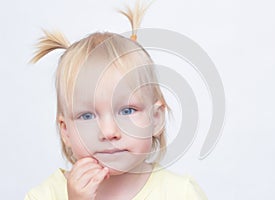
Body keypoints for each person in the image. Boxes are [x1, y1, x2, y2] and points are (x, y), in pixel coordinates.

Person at [25, 1, 207, 199]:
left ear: (156, 118)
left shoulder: (180, 193)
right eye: (87, 115)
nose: (108, 132)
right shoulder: (45, 195)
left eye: (127, 111)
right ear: (66, 131)